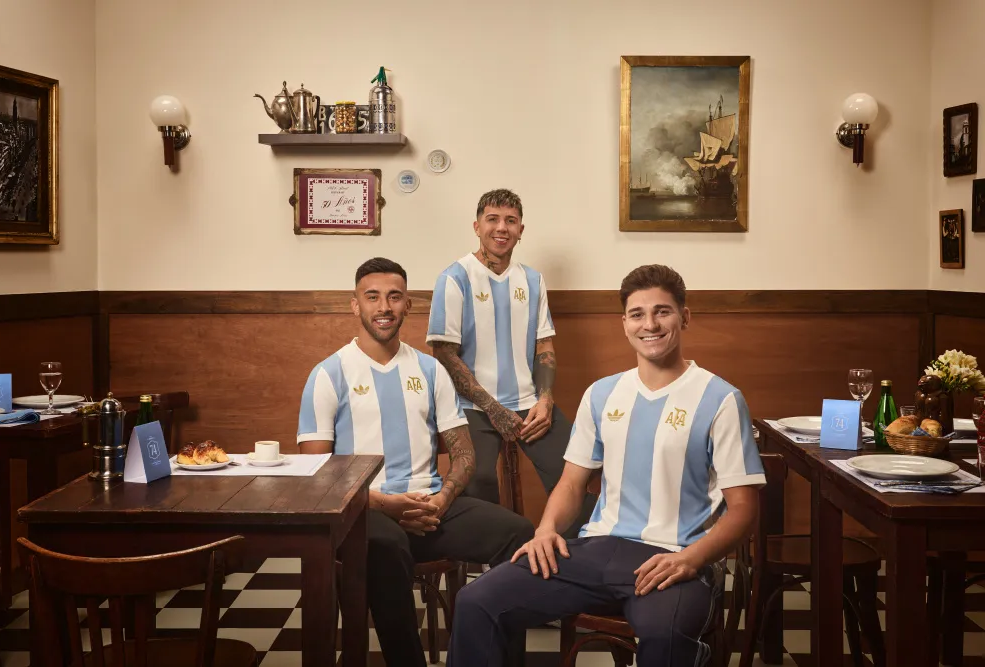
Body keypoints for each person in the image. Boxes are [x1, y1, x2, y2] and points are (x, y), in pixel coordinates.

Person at [447, 264, 766, 667]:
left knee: (664, 636)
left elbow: (743, 509)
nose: (649, 324)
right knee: (477, 601)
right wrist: (546, 530)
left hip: (674, 557)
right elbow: (571, 483)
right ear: (625, 323)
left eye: (662, 311)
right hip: (597, 549)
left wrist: (691, 560)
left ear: (684, 317)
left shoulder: (720, 398)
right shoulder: (602, 393)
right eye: (637, 314)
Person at [298, 257, 534, 667]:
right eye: (372, 297)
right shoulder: (328, 373)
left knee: (519, 534)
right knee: (388, 547)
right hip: (365, 510)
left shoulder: (430, 370)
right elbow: (318, 475)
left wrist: (442, 499)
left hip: (430, 505)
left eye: (394, 297)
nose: (384, 306)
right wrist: (385, 505)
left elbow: (463, 453)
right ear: (355, 305)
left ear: (408, 304)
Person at [427, 188, 596, 536]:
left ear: (521, 230)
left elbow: (544, 344)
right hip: (471, 407)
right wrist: (493, 408)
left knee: (579, 468)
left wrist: (545, 400)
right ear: (477, 226)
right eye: (492, 219)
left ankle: (575, 553)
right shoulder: (454, 277)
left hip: (528, 404)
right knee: (479, 480)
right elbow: (443, 353)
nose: (501, 228)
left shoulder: (532, 280)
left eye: (510, 221)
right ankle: (492, 569)